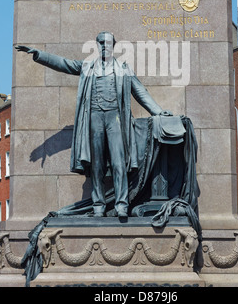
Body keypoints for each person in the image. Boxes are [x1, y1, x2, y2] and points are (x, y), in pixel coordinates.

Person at [16, 32, 171, 219]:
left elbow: (140, 92)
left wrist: (158, 111)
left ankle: (122, 204)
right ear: (97, 46)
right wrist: (39, 55)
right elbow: (64, 64)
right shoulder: (88, 67)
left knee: (118, 162)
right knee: (96, 164)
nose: (105, 46)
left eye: (108, 43)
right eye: (101, 43)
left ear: (113, 46)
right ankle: (98, 204)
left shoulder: (123, 68)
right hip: (95, 118)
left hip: (116, 119)